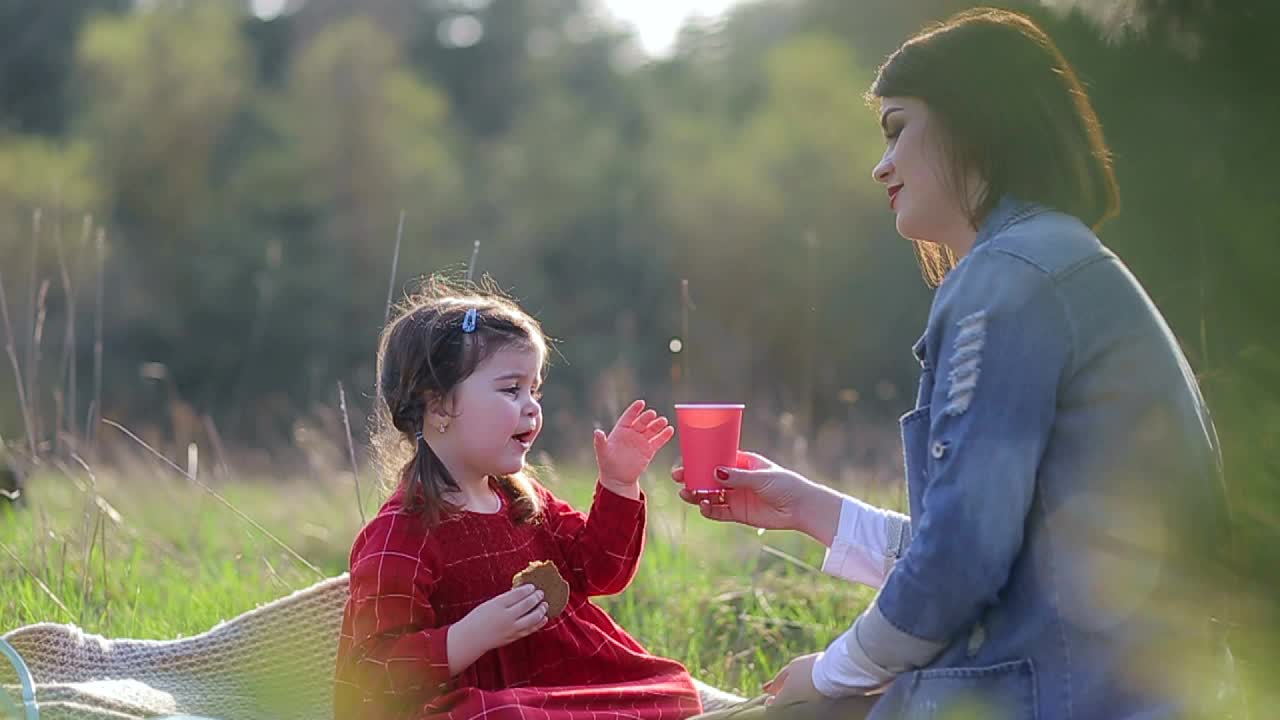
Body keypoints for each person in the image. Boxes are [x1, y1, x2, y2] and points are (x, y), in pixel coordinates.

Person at [679, 8, 1232, 720]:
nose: (881, 164)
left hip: (1059, 694)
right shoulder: (1062, 260)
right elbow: (1012, 560)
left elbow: (963, 561)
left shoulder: (1005, 277)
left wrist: (833, 670)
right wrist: (813, 509)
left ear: (975, 121)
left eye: (897, 127)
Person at [334, 278, 702, 719]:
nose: (532, 407)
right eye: (511, 389)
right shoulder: (401, 533)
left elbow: (600, 573)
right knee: (500, 715)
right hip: (473, 702)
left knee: (675, 693)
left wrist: (619, 484)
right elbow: (370, 676)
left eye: (535, 390)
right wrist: (469, 636)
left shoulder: (524, 502)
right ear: (437, 408)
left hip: (562, 683)